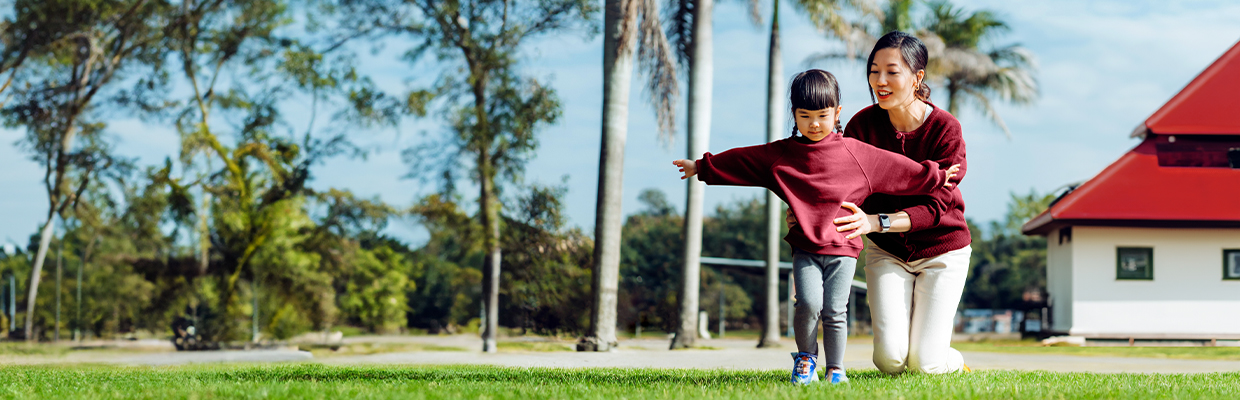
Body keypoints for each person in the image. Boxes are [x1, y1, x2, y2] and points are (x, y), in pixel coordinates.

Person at [672, 69, 960, 384]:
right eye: (805, 115)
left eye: (822, 115)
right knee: (808, 303)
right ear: (794, 114)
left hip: (844, 248)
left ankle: (836, 368)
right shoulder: (782, 155)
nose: (814, 123)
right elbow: (744, 161)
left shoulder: (856, 152)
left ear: (837, 112)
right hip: (805, 246)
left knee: (836, 310)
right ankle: (806, 358)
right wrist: (701, 167)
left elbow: (897, 169)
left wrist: (935, 175)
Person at [793, 31, 973, 375]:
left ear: (917, 77)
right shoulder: (862, 125)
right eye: (874, 71)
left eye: (892, 71)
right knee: (890, 361)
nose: (880, 81)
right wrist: (806, 213)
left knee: (926, 365)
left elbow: (937, 209)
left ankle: (952, 359)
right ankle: (919, 348)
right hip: (888, 254)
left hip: (942, 253)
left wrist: (875, 222)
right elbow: (837, 182)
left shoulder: (946, 130)